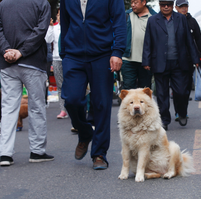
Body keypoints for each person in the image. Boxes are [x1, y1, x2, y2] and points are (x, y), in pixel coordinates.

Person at [60, 0, 126, 170]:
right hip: (73, 55)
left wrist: (117, 51)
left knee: (101, 104)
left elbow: (119, 21)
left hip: (102, 55)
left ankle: (99, 154)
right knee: (71, 99)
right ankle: (85, 131)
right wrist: (64, 52)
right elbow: (65, 23)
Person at [0, 0, 54, 166]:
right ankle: (37, 151)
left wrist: (7, 50)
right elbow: (40, 31)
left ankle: (4, 153)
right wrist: (22, 52)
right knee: (36, 105)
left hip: (7, 62)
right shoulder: (41, 3)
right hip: (33, 61)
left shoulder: (3, 3)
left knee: (8, 107)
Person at [142, 0, 199, 130]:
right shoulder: (152, 20)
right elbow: (148, 41)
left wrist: (196, 58)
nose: (166, 7)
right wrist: (146, 60)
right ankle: (164, 120)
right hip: (160, 63)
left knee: (181, 92)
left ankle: (182, 112)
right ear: (159, 5)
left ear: (173, 5)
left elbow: (189, 40)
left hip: (179, 62)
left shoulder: (181, 19)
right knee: (162, 94)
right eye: (163, 4)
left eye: (168, 4)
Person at [122, 0, 157, 90]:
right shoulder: (126, 15)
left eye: (136, 2)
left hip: (146, 61)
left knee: (144, 91)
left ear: (144, 2)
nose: (133, 5)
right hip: (128, 59)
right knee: (128, 90)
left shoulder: (154, 17)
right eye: (131, 2)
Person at [45, 9, 68, 119]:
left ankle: (77, 107)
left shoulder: (71, 25)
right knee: (60, 85)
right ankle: (63, 109)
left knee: (73, 83)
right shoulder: (54, 27)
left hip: (69, 58)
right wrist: (49, 26)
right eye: (58, 14)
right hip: (57, 58)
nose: (60, 16)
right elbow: (48, 40)